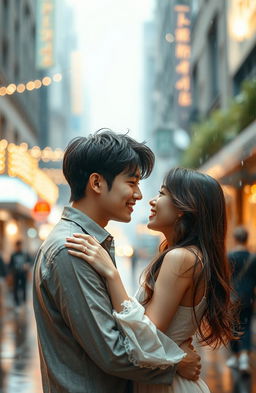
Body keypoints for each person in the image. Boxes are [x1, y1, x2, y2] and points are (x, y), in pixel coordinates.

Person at [33, 130, 201, 393]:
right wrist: (176, 363)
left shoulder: (89, 243)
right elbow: (113, 352)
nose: (139, 195)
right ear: (97, 183)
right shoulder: (72, 249)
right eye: (132, 182)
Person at [65, 166, 236, 393]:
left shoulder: (181, 258)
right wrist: (179, 357)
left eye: (163, 194)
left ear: (184, 208)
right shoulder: (191, 256)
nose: (152, 201)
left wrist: (111, 274)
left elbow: (146, 337)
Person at [226, 226, 256, 373]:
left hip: (232, 298)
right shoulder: (253, 258)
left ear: (235, 238)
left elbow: (225, 280)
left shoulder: (228, 257)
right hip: (248, 297)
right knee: (247, 325)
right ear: (246, 238)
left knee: (233, 327)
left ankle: (235, 356)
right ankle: (244, 357)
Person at [9, 240, 31, 308]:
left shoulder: (25, 254)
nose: (19, 247)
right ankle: (17, 303)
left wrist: (27, 266)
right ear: (16, 246)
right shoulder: (13, 255)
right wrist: (11, 273)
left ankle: (24, 302)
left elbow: (30, 262)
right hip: (16, 274)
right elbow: (10, 265)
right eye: (18, 246)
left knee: (24, 288)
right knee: (15, 288)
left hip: (23, 274)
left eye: (20, 245)